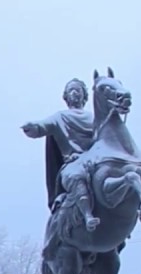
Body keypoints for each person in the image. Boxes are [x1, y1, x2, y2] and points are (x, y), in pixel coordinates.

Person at [21, 78, 98, 231]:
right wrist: (33, 128)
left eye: (78, 90)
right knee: (76, 177)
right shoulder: (60, 117)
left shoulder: (95, 119)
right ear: (66, 97)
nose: (75, 93)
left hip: (94, 164)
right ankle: (87, 215)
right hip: (73, 164)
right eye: (71, 90)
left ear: (84, 96)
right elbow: (43, 126)